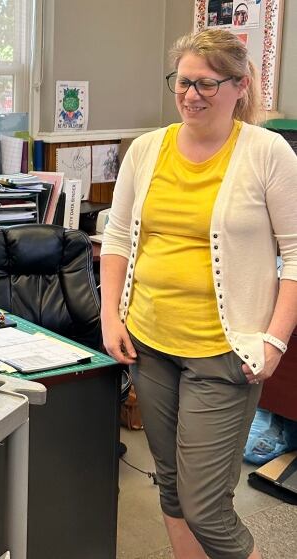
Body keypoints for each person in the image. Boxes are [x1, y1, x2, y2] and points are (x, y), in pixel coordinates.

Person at [101, 28, 297, 559]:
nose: (191, 95)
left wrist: (274, 342)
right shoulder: (146, 149)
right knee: (170, 485)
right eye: (183, 82)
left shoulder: (267, 152)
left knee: (207, 507)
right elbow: (118, 237)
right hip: (150, 342)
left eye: (207, 85)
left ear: (240, 86)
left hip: (224, 353)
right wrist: (110, 317)